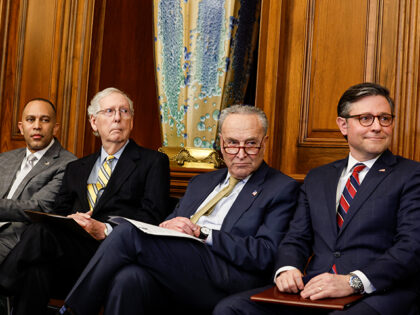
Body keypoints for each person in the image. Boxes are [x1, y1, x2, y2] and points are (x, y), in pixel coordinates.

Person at [58, 105, 300, 315]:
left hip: (227, 275)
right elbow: (170, 223)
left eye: (251, 145)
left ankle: (72, 311)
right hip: (181, 266)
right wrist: (166, 226)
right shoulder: (202, 183)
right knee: (129, 278)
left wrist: (203, 233)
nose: (240, 154)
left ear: (264, 142)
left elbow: (265, 253)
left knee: (126, 233)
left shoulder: (281, 188)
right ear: (221, 142)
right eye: (232, 144)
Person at [214, 82, 420, 315]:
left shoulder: (411, 175)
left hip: (378, 292)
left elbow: (411, 247)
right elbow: (296, 237)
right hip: (314, 288)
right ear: (343, 125)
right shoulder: (318, 177)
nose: (377, 127)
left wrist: (351, 282)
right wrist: (287, 269)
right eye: (366, 118)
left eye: (384, 118)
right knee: (231, 309)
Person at [0, 87, 170, 315]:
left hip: (116, 250)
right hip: (76, 251)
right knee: (37, 264)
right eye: (109, 111)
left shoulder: (153, 162)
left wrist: (107, 229)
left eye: (124, 111)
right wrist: (69, 219)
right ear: (93, 122)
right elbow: (57, 213)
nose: (117, 117)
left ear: (131, 120)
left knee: (40, 235)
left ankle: (3, 284)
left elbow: (153, 217)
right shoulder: (77, 167)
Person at [0, 98, 76, 264]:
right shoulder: (5, 159)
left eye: (45, 120)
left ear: (55, 128)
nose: (36, 126)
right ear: (21, 127)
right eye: (30, 119)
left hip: (17, 239)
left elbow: (40, 207)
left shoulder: (68, 164)